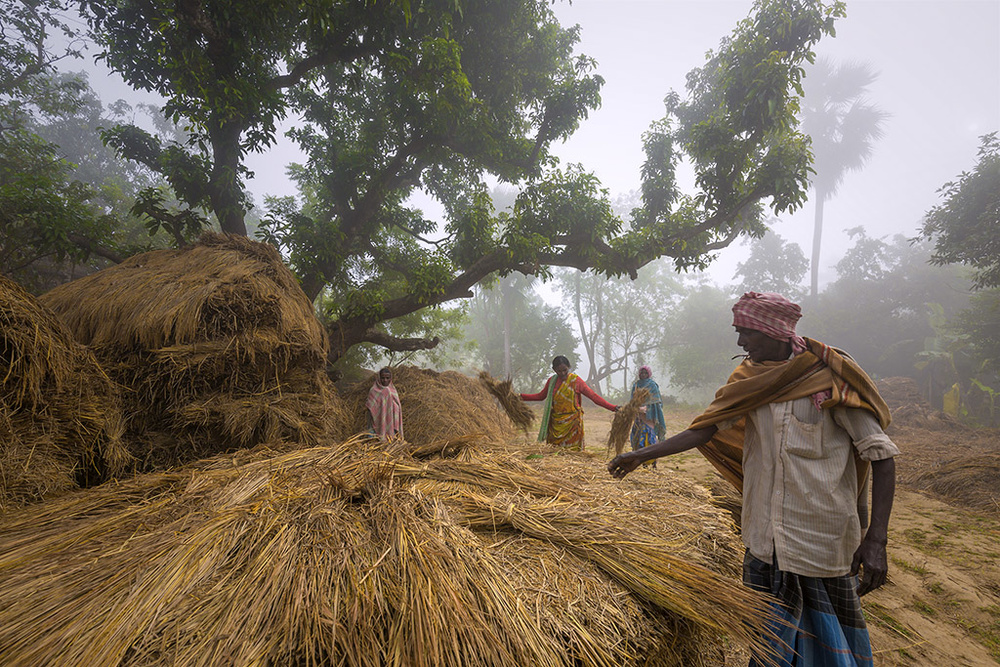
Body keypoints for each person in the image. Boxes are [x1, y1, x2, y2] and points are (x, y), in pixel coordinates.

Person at [608, 292, 898, 667]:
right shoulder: (749, 380)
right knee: (767, 648)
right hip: (763, 540)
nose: (741, 342)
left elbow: (881, 455)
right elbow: (704, 430)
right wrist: (639, 455)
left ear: (775, 331)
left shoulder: (828, 380)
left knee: (830, 647)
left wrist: (876, 539)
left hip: (819, 540)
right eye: (738, 332)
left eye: (747, 333)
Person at [520, 355, 618, 451]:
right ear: (554, 369)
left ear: (569, 367)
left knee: (573, 453)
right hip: (555, 424)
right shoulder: (552, 381)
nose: (562, 373)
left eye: (565, 370)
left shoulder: (576, 381)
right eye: (559, 371)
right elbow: (540, 396)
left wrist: (613, 407)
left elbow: (593, 397)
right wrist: (520, 397)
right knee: (554, 453)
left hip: (572, 424)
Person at [629, 365, 667, 468]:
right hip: (638, 417)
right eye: (642, 373)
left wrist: (647, 408)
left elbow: (657, 401)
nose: (643, 375)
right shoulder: (636, 385)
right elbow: (632, 400)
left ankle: (653, 462)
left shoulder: (652, 385)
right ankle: (642, 462)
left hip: (649, 417)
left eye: (645, 373)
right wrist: (636, 408)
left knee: (650, 439)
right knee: (638, 438)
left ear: (649, 374)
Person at [366, 367, 403, 440]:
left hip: (391, 422)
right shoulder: (373, 390)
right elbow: (370, 407)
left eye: (387, 378)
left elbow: (398, 406)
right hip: (376, 422)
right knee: (373, 441)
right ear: (379, 378)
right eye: (383, 378)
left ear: (390, 378)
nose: (385, 380)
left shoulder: (393, 390)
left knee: (391, 441)